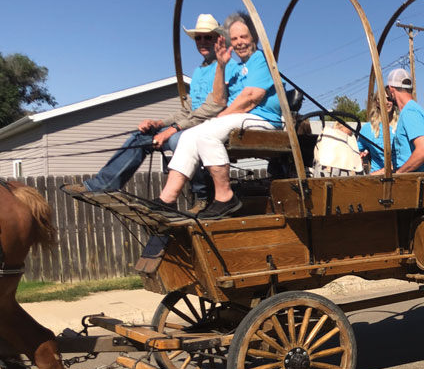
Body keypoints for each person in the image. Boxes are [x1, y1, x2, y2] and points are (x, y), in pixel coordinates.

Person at [84, 14, 239, 211]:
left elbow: (212, 108)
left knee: (178, 140)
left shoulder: (227, 67)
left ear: (219, 38)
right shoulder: (200, 70)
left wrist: (173, 129)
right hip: (193, 122)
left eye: (207, 37)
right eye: (198, 37)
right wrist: (158, 123)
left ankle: (203, 194)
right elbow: (188, 110)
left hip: (211, 125)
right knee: (142, 136)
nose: (202, 42)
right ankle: (104, 184)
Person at [152, 12, 283, 219]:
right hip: (238, 118)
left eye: (244, 37)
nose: (240, 43)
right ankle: (167, 198)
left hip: (262, 119)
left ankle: (225, 197)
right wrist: (221, 66)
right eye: (235, 39)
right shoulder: (236, 67)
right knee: (189, 135)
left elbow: (250, 98)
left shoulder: (261, 59)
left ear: (254, 38)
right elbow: (219, 98)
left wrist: (218, 118)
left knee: (206, 133)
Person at [384, 68, 424, 173]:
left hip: (413, 180)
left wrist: (399, 173)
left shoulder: (409, 112)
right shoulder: (415, 109)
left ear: (391, 89)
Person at [357, 93, 398, 173]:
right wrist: (360, 156)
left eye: (389, 99)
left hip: (401, 175)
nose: (386, 102)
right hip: (377, 177)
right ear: (377, 103)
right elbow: (356, 151)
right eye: (383, 98)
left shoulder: (401, 124)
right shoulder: (367, 129)